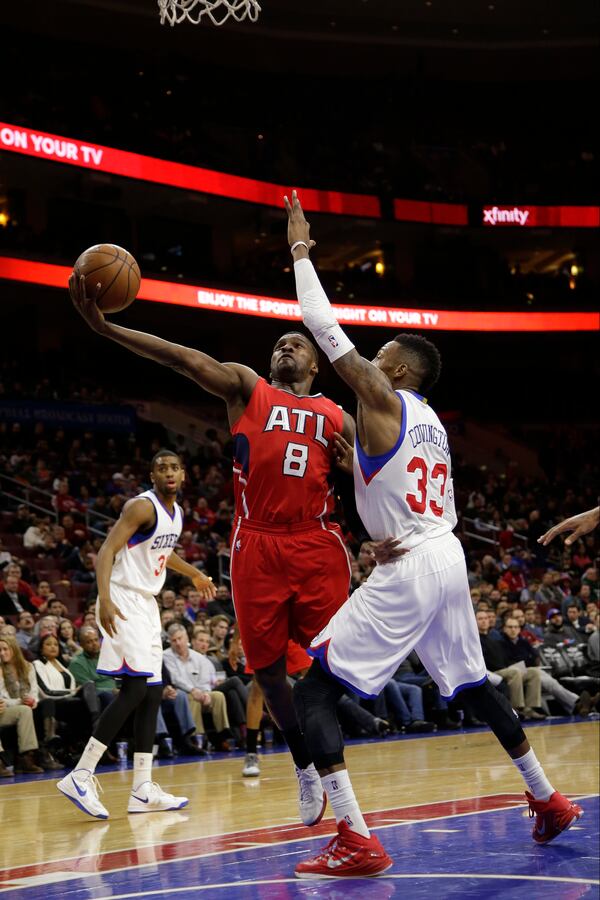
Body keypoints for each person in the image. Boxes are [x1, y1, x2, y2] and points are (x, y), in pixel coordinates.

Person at [284, 190, 582, 879]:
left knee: (315, 692)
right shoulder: (430, 423)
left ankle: (356, 837)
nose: (373, 363)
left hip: (414, 564)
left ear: (395, 371)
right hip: (446, 556)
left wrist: (301, 249)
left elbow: (323, 329)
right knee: (475, 685)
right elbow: (388, 477)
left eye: (381, 356)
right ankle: (549, 798)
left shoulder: (383, 396)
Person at [70, 268, 357, 826]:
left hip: (317, 543)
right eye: (279, 343)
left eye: (295, 343)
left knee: (334, 666)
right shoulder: (249, 388)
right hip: (256, 544)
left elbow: (378, 475)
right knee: (267, 671)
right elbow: (180, 356)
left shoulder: (337, 415)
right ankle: (304, 764)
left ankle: (331, 768)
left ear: (316, 362)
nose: (285, 347)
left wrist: (354, 473)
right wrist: (108, 329)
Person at [57, 450, 215, 818]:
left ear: (184, 475)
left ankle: (142, 788)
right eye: (162, 468)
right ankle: (80, 774)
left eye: (175, 467)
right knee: (135, 688)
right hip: (123, 597)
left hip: (146, 603)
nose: (169, 473)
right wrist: (105, 598)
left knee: (154, 689)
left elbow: (162, 552)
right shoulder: (140, 507)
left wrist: (192, 571)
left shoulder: (174, 514)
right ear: (152, 476)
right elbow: (107, 549)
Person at [0, 635, 45, 773]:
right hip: (5, 708)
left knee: (25, 710)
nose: (2, 653)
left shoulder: (28, 666)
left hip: (16, 707)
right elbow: (2, 697)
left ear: (14, 649)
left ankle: (26, 758)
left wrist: (32, 701)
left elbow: (34, 692)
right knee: (24, 708)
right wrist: (20, 701)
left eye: (5, 649)